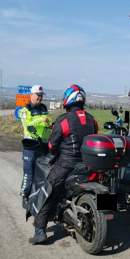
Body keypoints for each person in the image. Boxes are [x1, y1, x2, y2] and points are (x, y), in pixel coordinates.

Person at [29, 84, 98, 245]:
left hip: (67, 165)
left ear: (67, 99)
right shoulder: (92, 120)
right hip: (88, 165)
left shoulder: (63, 120)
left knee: (47, 191)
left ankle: (39, 230)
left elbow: (52, 147)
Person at [20, 85, 52, 208]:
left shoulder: (44, 107)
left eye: (41, 96)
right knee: (29, 172)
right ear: (31, 95)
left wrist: (49, 124)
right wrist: (41, 121)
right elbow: (27, 126)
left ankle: (39, 195)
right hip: (31, 144)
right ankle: (25, 195)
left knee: (43, 172)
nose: (40, 98)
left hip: (43, 143)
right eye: (38, 96)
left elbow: (48, 120)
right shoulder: (25, 110)